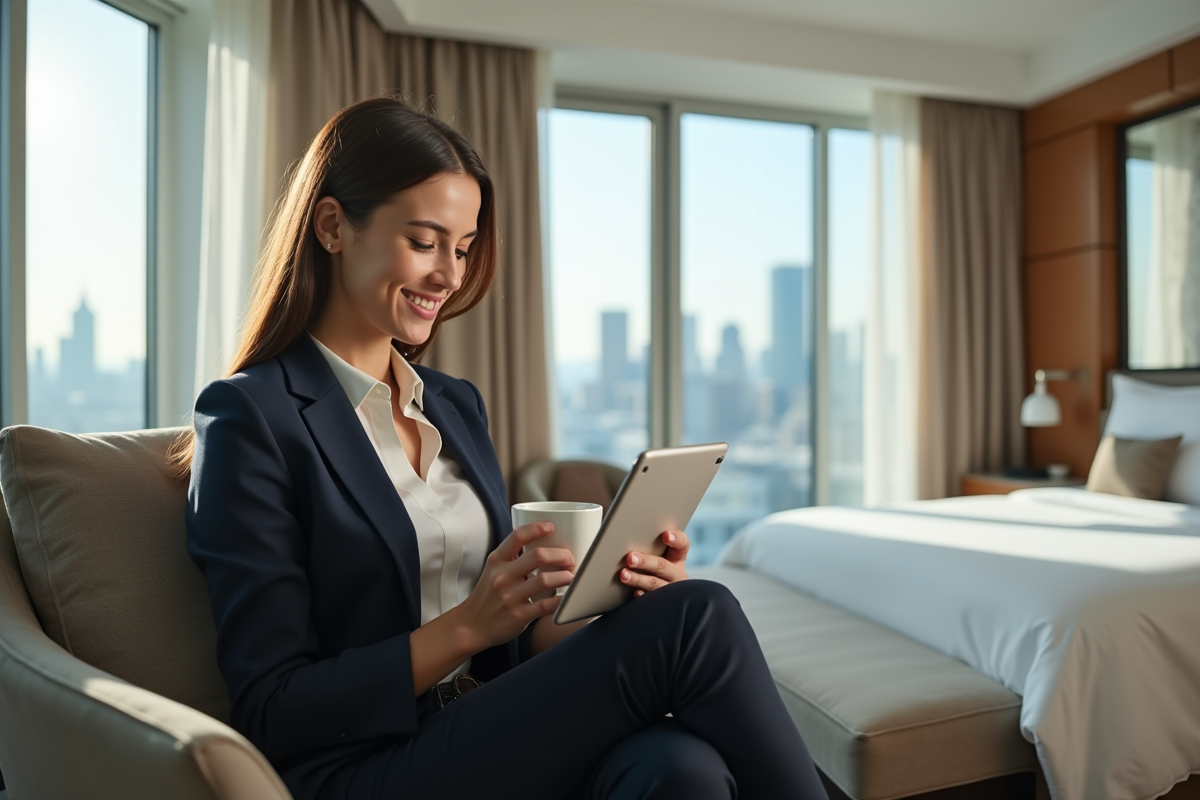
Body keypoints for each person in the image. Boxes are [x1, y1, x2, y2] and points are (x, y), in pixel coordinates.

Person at [178, 96, 828, 800]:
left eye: (461, 249)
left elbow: (508, 647)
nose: (450, 277)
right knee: (702, 615)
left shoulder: (455, 405)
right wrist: (465, 627)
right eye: (424, 242)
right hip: (360, 768)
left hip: (482, 730)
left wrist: (611, 602)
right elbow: (273, 706)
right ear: (333, 226)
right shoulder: (250, 416)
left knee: (681, 768)